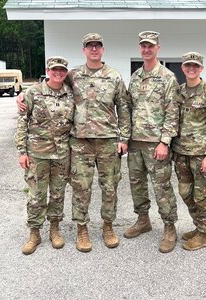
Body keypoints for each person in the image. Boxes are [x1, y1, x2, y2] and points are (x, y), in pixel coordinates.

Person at [17, 33, 131, 253]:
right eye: (90, 46)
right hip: (80, 143)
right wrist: (23, 96)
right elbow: (51, 85)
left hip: (108, 141)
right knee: (81, 188)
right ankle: (82, 229)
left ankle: (108, 227)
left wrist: (123, 138)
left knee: (110, 187)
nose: (94, 49)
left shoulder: (115, 77)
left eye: (98, 45)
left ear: (103, 49)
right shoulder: (73, 75)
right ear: (84, 50)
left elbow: (124, 109)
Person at [124, 31, 180, 253]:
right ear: (140, 48)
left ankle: (169, 227)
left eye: (151, 46)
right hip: (135, 142)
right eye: (143, 46)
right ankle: (143, 220)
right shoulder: (136, 76)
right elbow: (128, 108)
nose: (146, 49)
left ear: (158, 48)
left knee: (162, 188)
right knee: (137, 185)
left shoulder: (167, 77)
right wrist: (125, 138)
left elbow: (172, 112)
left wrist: (165, 142)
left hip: (156, 143)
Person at [15, 56, 74, 255]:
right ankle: (34, 233)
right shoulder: (33, 92)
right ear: (48, 71)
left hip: (61, 154)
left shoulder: (70, 94)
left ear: (66, 73)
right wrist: (22, 151)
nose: (58, 73)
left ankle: (55, 230)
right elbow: (22, 122)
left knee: (57, 195)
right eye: (54, 69)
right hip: (37, 154)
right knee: (36, 195)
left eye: (62, 70)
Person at [171, 52, 206, 251]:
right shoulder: (180, 91)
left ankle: (205, 234)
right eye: (188, 65)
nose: (191, 69)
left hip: (201, 154)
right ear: (183, 68)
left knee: (203, 195)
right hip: (181, 153)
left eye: (195, 66)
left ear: (201, 68)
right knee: (186, 192)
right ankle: (198, 225)